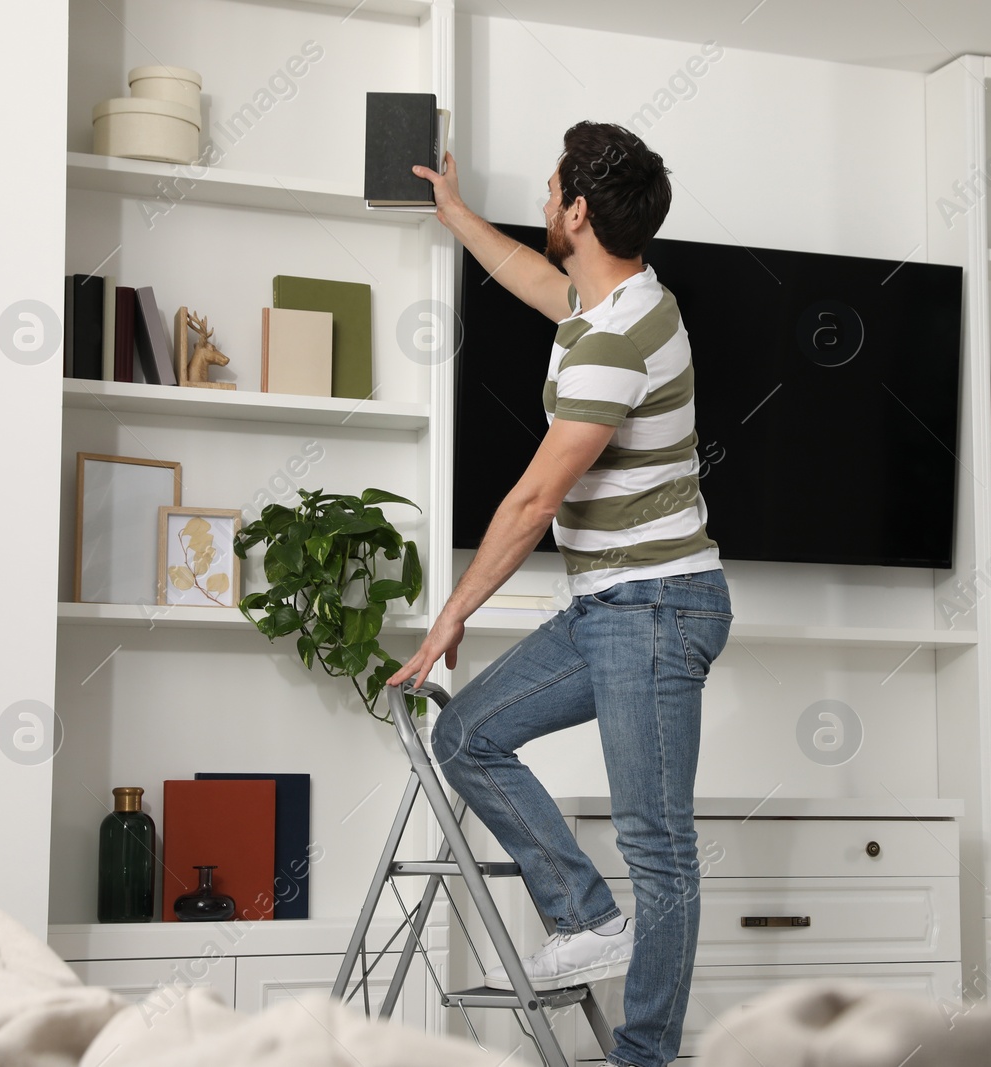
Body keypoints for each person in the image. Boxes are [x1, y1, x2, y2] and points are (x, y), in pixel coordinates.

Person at [388, 121, 731, 1067]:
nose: (542, 204)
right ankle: (585, 913)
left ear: (578, 212)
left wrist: (449, 616)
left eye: (549, 192)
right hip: (610, 607)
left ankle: (643, 1056)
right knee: (468, 733)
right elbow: (533, 280)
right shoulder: (612, 298)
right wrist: (453, 210)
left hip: (658, 608)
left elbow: (537, 498)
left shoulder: (617, 339)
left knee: (657, 847)